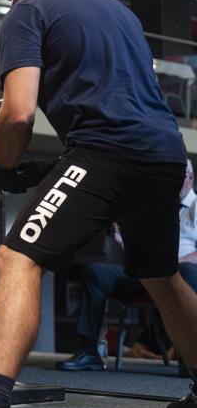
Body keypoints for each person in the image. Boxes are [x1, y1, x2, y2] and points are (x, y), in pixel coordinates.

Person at [0, 0, 197, 408]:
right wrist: (55, 167)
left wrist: (4, 166)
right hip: (165, 155)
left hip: (108, 151)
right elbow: (118, 102)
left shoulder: (27, 11)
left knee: (17, 257)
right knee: (161, 275)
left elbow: (17, 114)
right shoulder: (119, 13)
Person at [57, 159, 197, 371]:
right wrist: (122, 242)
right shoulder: (159, 208)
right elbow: (141, 253)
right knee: (96, 272)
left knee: (188, 271)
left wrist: (172, 264)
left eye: (175, 176)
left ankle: (191, 361)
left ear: (190, 178)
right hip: (150, 273)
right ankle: (89, 352)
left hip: (181, 275)